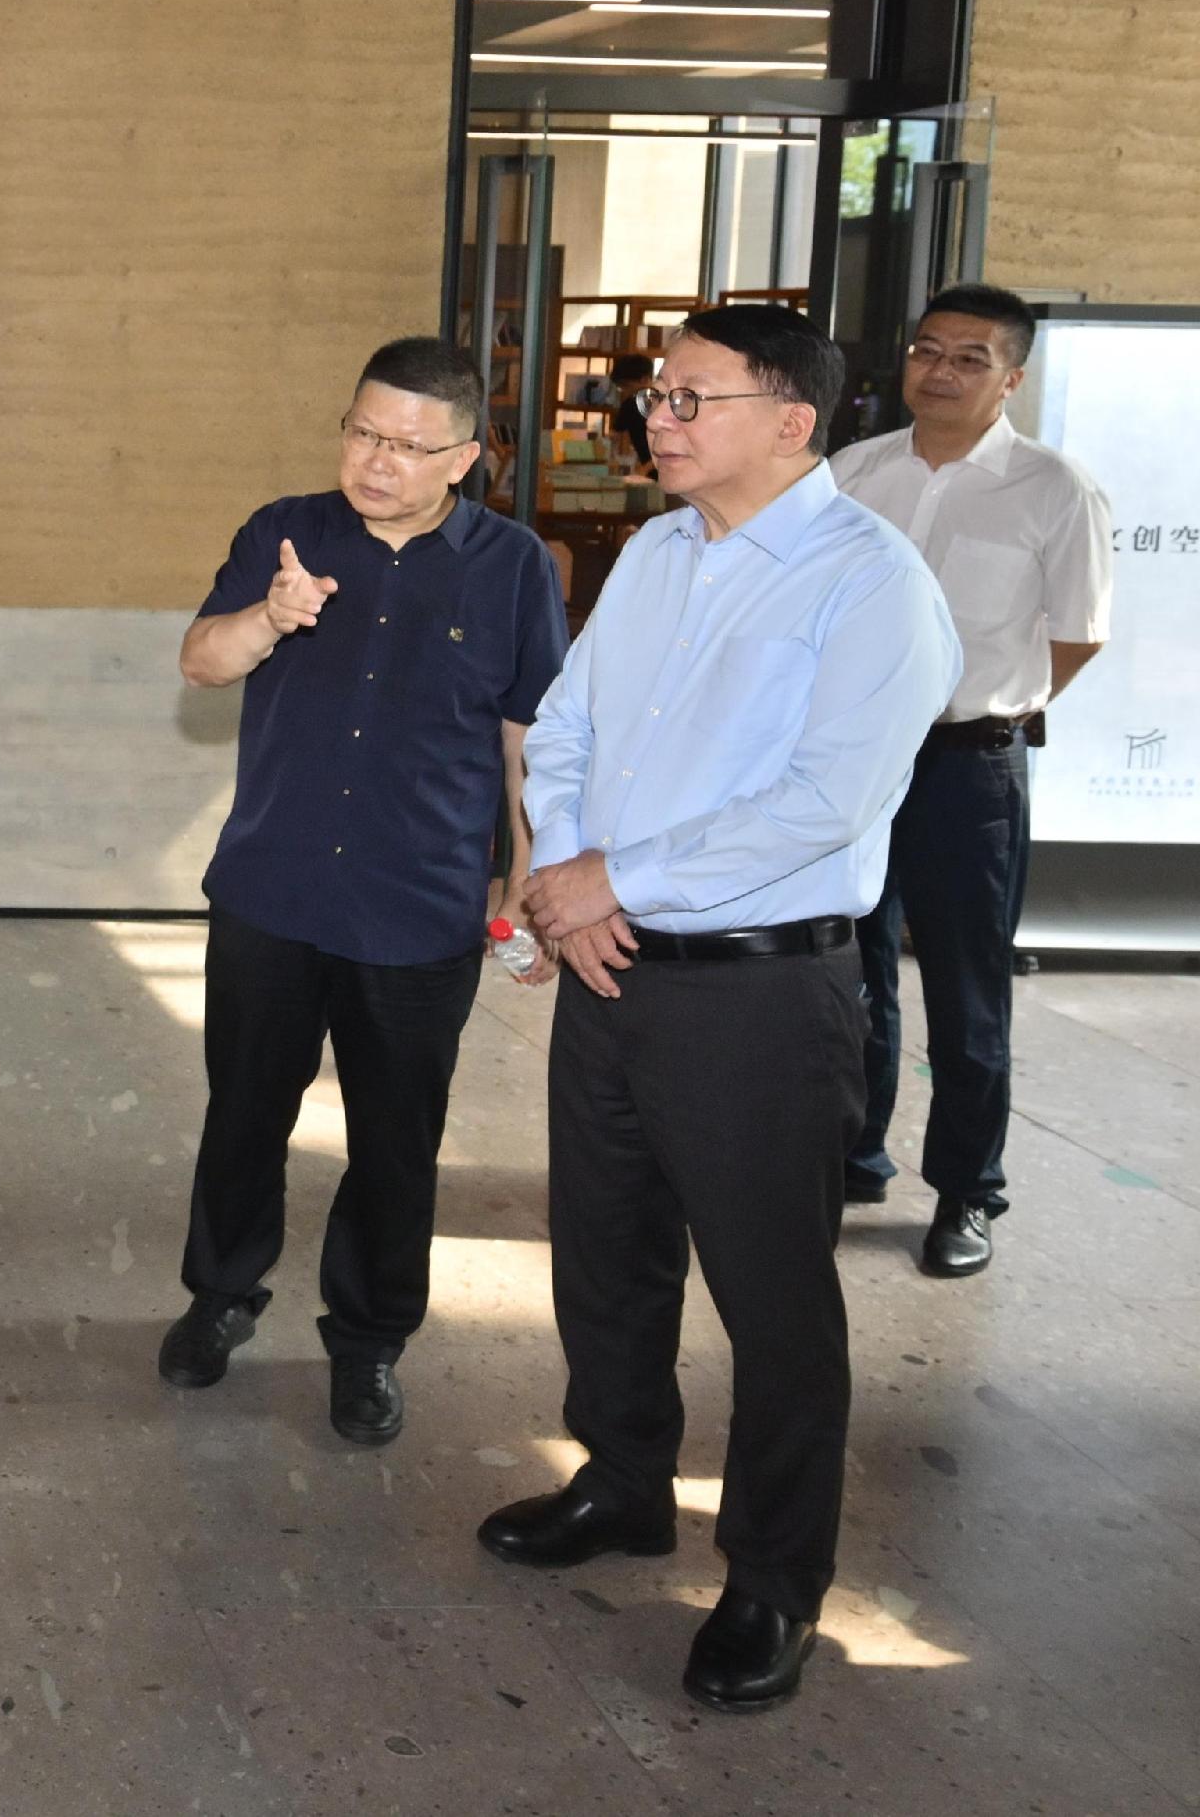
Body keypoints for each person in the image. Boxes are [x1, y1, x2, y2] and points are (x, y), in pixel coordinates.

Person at [484, 302, 957, 1715]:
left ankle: (770, 1581)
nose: (659, 420)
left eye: (693, 398)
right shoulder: (654, 555)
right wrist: (571, 882)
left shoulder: (870, 585)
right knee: (606, 1254)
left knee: (775, 1301)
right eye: (658, 397)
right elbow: (565, 728)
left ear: (794, 420)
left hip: (760, 991)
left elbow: (826, 803)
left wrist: (609, 873)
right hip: (613, 969)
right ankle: (625, 1484)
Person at [162, 337, 567, 1447]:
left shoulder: (513, 564)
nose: (373, 459)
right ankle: (219, 1296)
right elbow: (201, 658)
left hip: (420, 901)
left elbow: (526, 735)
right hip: (273, 889)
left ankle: (368, 1340)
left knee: (396, 1141)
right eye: (359, 430)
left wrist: (528, 878)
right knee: (244, 1111)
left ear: (463, 457)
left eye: (404, 443)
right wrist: (270, 617)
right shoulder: (283, 532)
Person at [829, 284, 1111, 1278]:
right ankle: (852, 1156)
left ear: (1011, 376)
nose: (939, 371)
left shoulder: (1052, 488)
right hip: (853, 758)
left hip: (966, 765)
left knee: (963, 985)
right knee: (848, 969)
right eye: (925, 350)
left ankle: (963, 1189)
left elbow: (1076, 633)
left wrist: (988, 704)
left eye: (969, 357)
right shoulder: (852, 472)